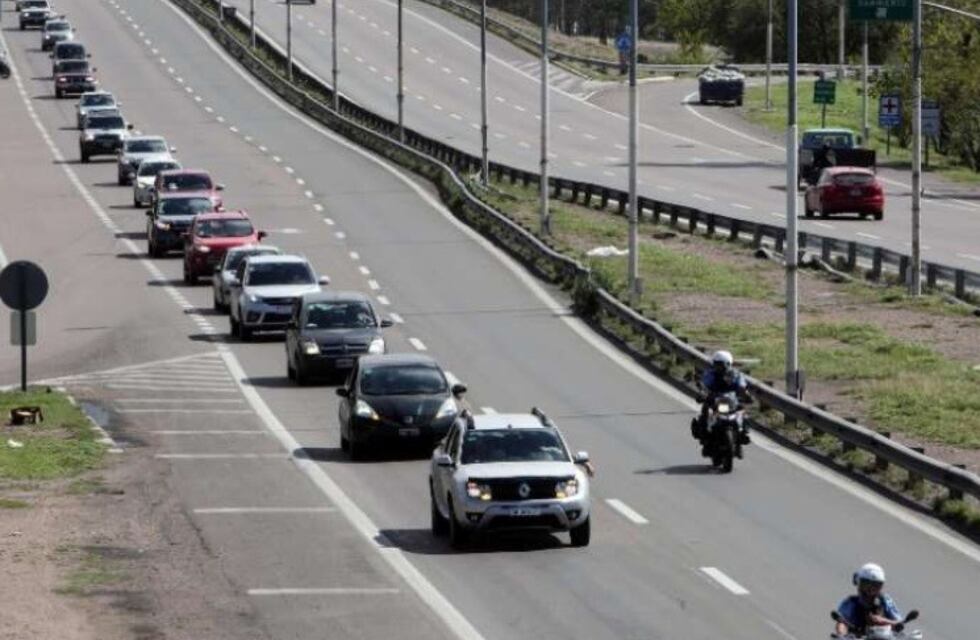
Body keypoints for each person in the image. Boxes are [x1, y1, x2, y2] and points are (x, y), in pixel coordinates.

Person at [691, 350, 750, 451]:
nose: (718, 367)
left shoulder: (736, 375)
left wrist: (746, 396)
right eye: (716, 364)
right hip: (715, 401)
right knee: (705, 410)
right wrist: (701, 394)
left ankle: (743, 433)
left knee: (744, 413)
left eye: (721, 365)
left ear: (728, 364)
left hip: (731, 401)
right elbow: (704, 385)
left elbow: (742, 387)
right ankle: (704, 436)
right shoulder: (710, 374)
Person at [835, 563, 903, 637]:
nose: (869, 592)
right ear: (858, 583)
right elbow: (842, 623)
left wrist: (883, 621)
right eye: (866, 586)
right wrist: (841, 636)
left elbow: (899, 624)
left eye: (875, 587)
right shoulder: (850, 602)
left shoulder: (885, 600)